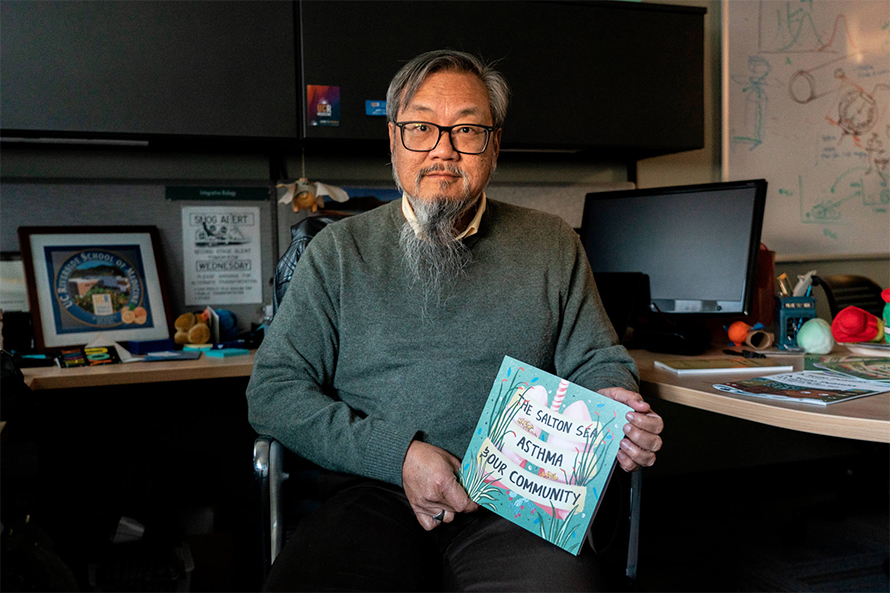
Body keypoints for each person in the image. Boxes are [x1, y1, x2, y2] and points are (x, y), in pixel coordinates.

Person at [247, 49, 663, 592]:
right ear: (394, 141)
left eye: (467, 130)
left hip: (516, 504)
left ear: (493, 147)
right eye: (421, 127)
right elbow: (273, 391)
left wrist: (614, 402)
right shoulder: (338, 252)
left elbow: (596, 358)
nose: (443, 150)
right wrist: (398, 456)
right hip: (372, 492)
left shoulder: (552, 243)